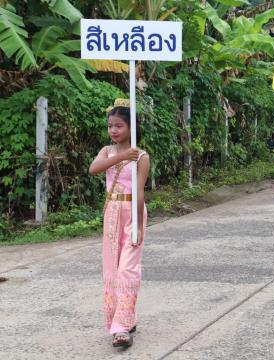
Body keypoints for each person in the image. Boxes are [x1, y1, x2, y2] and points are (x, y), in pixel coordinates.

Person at [89, 99, 150, 348]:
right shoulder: (107, 151)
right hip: (112, 213)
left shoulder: (142, 156)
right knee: (112, 270)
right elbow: (94, 169)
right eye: (110, 126)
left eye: (119, 126)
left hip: (132, 212)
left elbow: (140, 192)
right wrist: (122, 156)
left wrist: (137, 226)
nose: (113, 131)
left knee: (128, 268)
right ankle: (124, 318)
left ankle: (122, 329)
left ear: (131, 128)